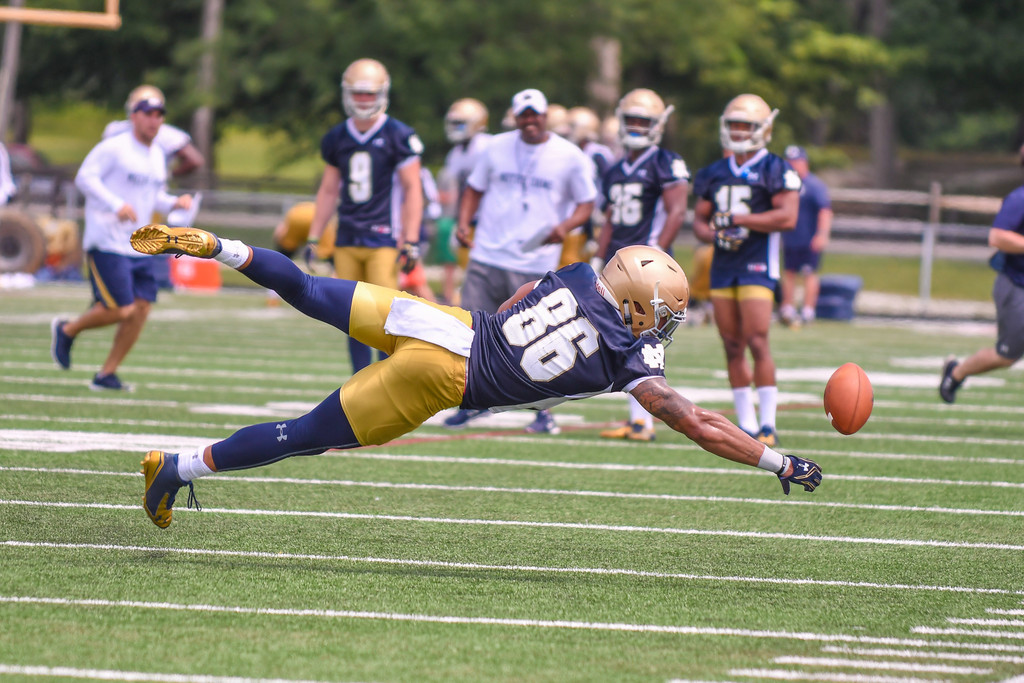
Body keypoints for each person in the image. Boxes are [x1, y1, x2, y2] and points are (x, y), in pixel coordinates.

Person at [129, 224, 822, 529]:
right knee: (303, 434)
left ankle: (220, 246)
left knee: (310, 287)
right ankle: (178, 466)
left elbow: (523, 294)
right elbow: (696, 421)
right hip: (443, 381)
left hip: (446, 321)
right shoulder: (630, 360)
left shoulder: (584, 273)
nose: (665, 326)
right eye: (662, 314)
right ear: (642, 307)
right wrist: (776, 458)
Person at [445, 88, 597, 434]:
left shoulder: (568, 155)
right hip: (487, 253)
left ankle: (542, 411)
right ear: (515, 117)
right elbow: (473, 189)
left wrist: (565, 226)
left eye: (535, 115)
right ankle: (473, 402)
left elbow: (586, 202)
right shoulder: (495, 147)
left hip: (534, 259)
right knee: (471, 331)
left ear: (545, 117)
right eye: (523, 115)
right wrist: (464, 221)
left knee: (535, 340)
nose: (530, 122)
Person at [49, 88, 193, 391]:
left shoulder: (156, 154)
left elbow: (152, 196)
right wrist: (116, 204)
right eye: (148, 112)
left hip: (142, 243)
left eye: (159, 114)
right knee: (121, 308)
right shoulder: (114, 147)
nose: (155, 120)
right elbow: (85, 178)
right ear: (133, 115)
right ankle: (67, 329)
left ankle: (106, 374)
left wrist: (173, 203)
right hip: (108, 240)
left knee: (140, 310)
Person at [691, 94, 801, 447]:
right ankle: (748, 424)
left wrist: (740, 220)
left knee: (757, 340)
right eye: (734, 124)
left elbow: (788, 216)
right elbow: (699, 220)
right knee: (731, 344)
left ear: (764, 130)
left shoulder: (776, 168)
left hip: (757, 265)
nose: (738, 131)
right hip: (724, 266)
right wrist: (713, 235)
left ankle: (768, 423)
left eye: (746, 125)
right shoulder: (714, 172)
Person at [307, 58, 424, 375]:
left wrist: (411, 240)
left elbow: (413, 189)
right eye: (357, 93)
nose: (363, 100)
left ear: (382, 93)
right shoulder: (336, 137)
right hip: (347, 237)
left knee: (386, 314)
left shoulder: (399, 134)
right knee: (351, 315)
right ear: (347, 94)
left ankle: (386, 379)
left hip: (384, 238)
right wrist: (314, 236)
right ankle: (359, 379)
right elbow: (329, 190)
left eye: (369, 94)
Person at [592, 88, 690, 442]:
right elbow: (608, 219)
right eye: (630, 119)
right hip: (617, 265)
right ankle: (638, 418)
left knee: (645, 340)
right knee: (619, 340)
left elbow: (677, 210)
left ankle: (643, 419)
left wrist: (657, 253)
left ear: (658, 124)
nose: (635, 126)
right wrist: (597, 255)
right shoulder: (615, 168)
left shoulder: (666, 162)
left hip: (648, 266)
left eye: (642, 120)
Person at [940, 144, 1024, 403]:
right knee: (1006, 356)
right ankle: (957, 373)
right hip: (1017, 287)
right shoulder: (1019, 198)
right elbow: (997, 236)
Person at [102, 85, 206, 291]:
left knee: (147, 237)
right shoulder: (117, 132)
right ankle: (153, 281)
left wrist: (167, 175)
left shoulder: (159, 136)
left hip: (140, 195)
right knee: (142, 238)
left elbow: (194, 160)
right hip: (122, 197)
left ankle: (152, 280)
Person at [440, 97, 492, 305]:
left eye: (460, 123)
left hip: (488, 221)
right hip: (470, 221)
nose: (456, 128)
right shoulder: (456, 153)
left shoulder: (485, 146)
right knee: (470, 272)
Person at [779, 145, 832, 328]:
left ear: (804, 163)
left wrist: (822, 234)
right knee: (789, 273)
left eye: (795, 162)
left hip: (809, 238)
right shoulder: (784, 186)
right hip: (790, 238)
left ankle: (808, 311)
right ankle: (787, 309)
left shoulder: (814, 185)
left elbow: (825, 211)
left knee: (810, 273)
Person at [561, 105, 616, 268]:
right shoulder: (571, 151)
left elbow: (611, 183)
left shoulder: (597, 153)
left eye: (572, 126)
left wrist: (603, 209)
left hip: (592, 219)